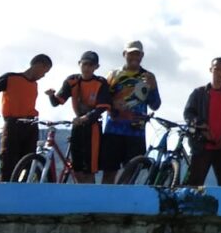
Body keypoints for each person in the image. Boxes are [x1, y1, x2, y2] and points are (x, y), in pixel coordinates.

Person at [45, 50, 112, 184]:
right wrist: (51, 96)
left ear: (96, 67)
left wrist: (86, 117)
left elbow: (102, 107)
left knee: (89, 168)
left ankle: (90, 194)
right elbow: (57, 102)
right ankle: (81, 192)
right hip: (77, 126)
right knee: (76, 167)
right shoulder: (72, 81)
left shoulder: (100, 82)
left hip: (92, 128)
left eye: (90, 65)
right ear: (79, 64)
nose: (87, 68)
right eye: (84, 64)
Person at [102, 41, 161, 184]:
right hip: (113, 130)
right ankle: (105, 198)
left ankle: (123, 198)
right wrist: (113, 105)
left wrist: (153, 87)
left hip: (136, 132)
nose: (134, 57)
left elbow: (155, 105)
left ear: (142, 56)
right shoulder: (113, 74)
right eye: (131, 54)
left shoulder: (148, 76)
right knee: (109, 172)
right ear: (124, 54)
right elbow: (102, 101)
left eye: (137, 54)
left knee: (131, 174)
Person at [184, 57, 221, 187]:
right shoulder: (198, 93)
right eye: (216, 69)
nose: (219, 72)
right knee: (194, 186)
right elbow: (188, 113)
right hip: (201, 146)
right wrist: (201, 126)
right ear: (211, 69)